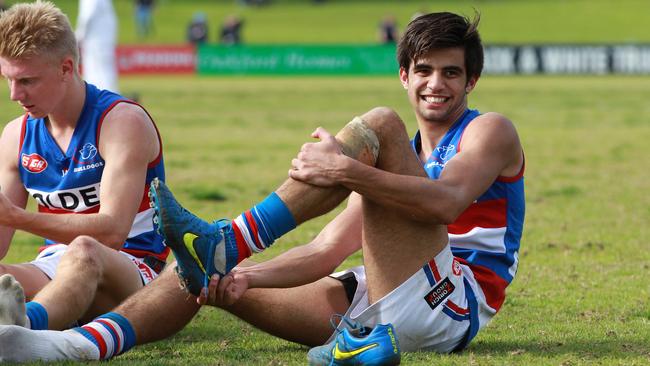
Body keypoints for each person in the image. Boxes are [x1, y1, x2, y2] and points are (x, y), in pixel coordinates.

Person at [0, 11, 525, 363]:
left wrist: (345, 171)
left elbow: (448, 202)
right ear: (404, 74)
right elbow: (325, 249)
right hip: (379, 302)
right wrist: (244, 278)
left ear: (471, 81)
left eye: (452, 73)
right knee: (201, 276)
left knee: (380, 123)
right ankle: (67, 347)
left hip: (449, 302)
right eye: (425, 71)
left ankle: (227, 240)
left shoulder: (488, 130)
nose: (437, 84)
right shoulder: (397, 163)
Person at [0, 1, 167, 333]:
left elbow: (112, 233)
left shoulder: (122, 122)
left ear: (66, 67)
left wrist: (18, 217)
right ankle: (26, 320)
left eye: (27, 81)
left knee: (85, 249)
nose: (14, 94)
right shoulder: (15, 135)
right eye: (8, 79)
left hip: (132, 270)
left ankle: (25, 328)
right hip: (54, 268)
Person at [76, 0, 119, 93]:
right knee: (105, 73)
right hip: (103, 41)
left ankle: (104, 101)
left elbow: (87, 15)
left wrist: (79, 37)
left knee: (97, 74)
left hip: (96, 42)